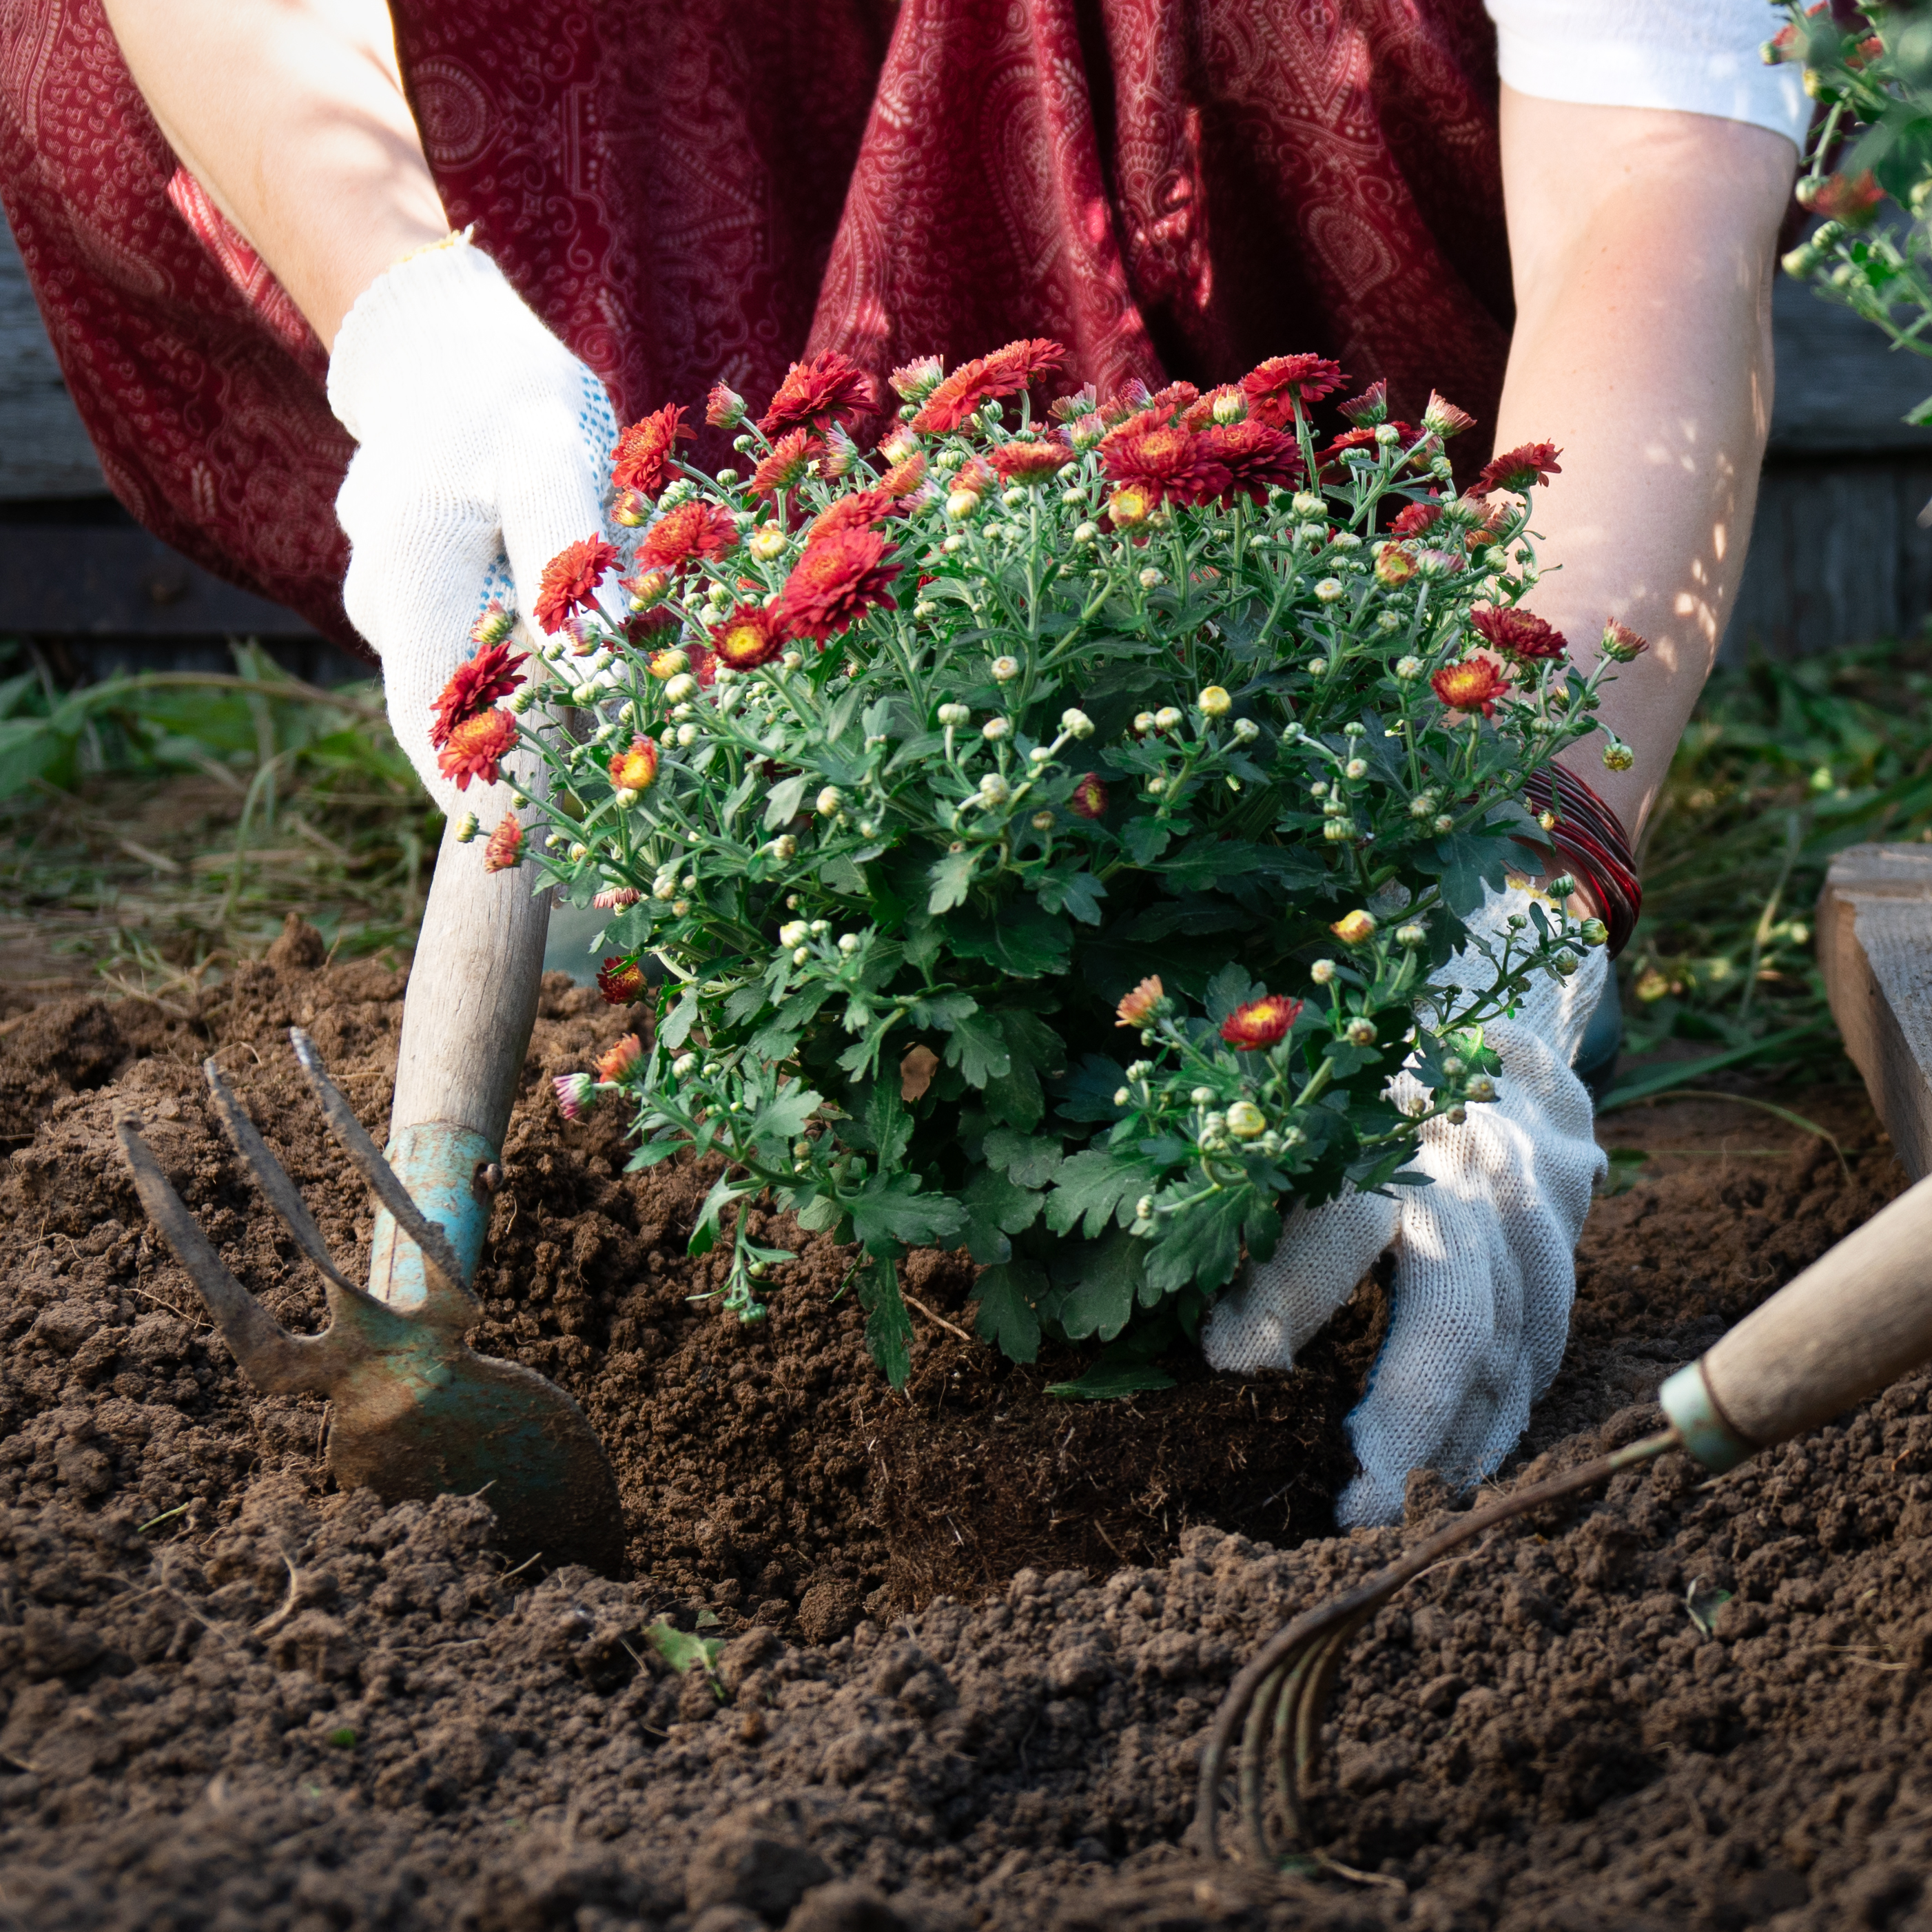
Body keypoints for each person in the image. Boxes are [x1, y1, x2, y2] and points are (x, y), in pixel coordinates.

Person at [3, 0, 1803, 1523]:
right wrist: (409, 315)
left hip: (1232, 276)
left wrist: (1517, 876)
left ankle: (1285, 813)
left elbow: (1652, 177)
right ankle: (682, 703)